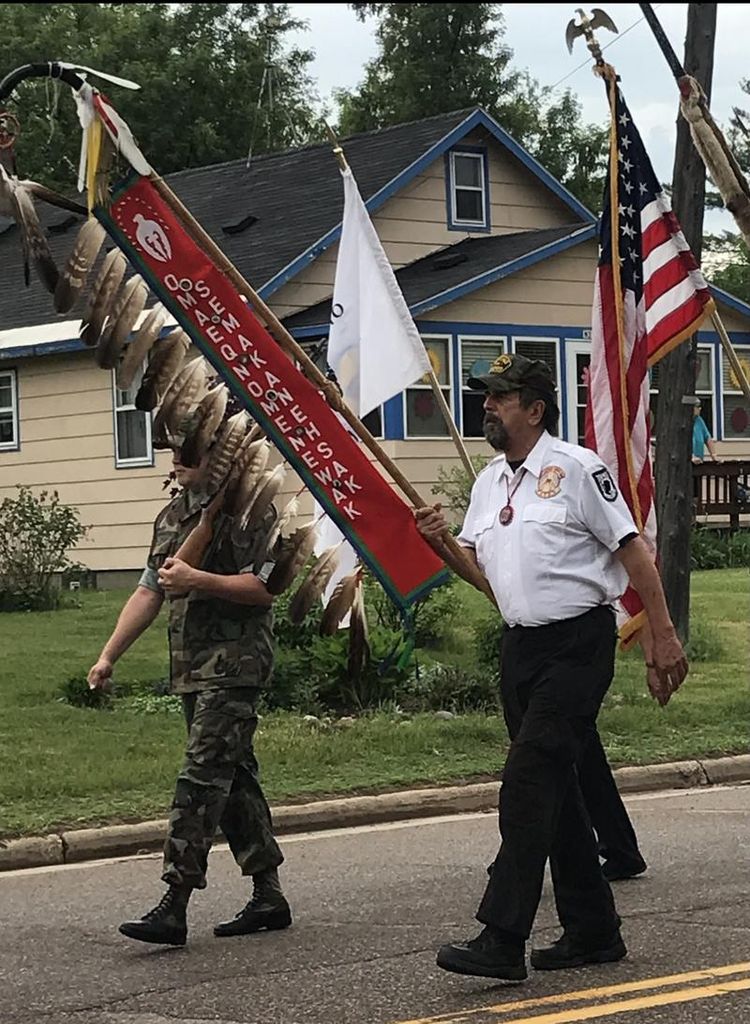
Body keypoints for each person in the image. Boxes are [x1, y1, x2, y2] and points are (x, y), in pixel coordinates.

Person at [416, 353, 687, 982]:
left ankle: (501, 936)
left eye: (500, 397)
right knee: (557, 794)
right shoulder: (490, 482)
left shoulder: (577, 469)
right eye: (486, 396)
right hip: (521, 648)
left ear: (535, 410)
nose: (487, 406)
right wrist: (440, 544)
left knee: (527, 782)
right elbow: (484, 574)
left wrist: (663, 633)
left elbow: (633, 552)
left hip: (576, 645)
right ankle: (594, 931)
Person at [87, 442, 291, 946]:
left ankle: (174, 903)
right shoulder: (174, 515)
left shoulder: (255, 512)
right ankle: (268, 895)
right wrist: (109, 656)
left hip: (236, 664)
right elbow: (149, 590)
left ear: (219, 459)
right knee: (234, 777)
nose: (176, 460)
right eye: (174, 451)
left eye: (189, 453)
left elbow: (266, 588)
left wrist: (198, 578)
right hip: (192, 668)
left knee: (201, 776)